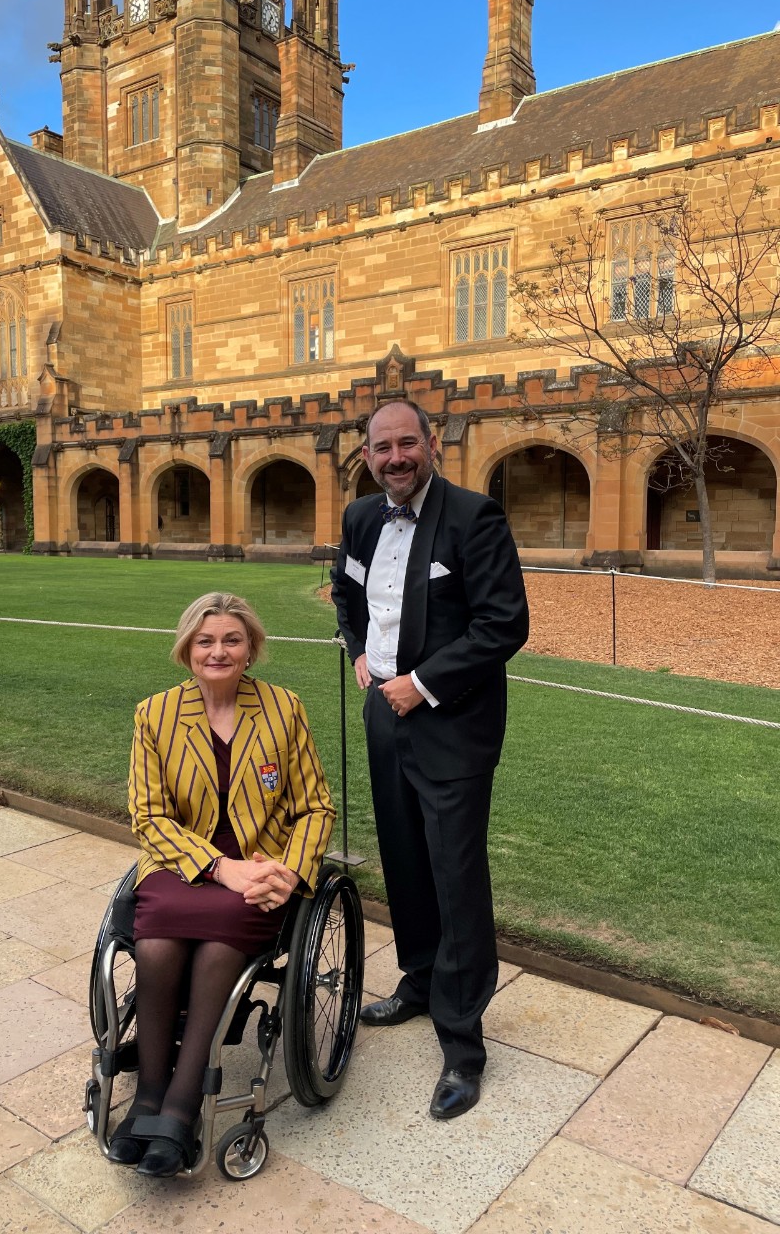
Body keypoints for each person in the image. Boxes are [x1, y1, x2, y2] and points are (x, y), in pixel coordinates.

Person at [332, 400, 529, 1121]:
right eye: (382, 447)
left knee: (455, 876)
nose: (395, 457)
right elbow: (347, 592)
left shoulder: (475, 518)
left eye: (406, 443)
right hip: (384, 717)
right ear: (367, 454)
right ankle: (419, 982)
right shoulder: (360, 517)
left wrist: (422, 683)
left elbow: (503, 623)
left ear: (432, 443)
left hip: (453, 724)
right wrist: (359, 651)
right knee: (404, 861)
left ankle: (463, 1045)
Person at [110, 591, 335, 1176]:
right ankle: (148, 1096)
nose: (218, 651)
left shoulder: (283, 709)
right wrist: (217, 867)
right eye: (205, 640)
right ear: (187, 649)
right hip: (182, 865)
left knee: (219, 945)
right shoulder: (155, 714)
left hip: (260, 867)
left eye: (232, 639)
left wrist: (288, 871)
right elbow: (149, 817)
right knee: (156, 945)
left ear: (250, 648)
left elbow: (315, 808)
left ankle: (181, 1104)